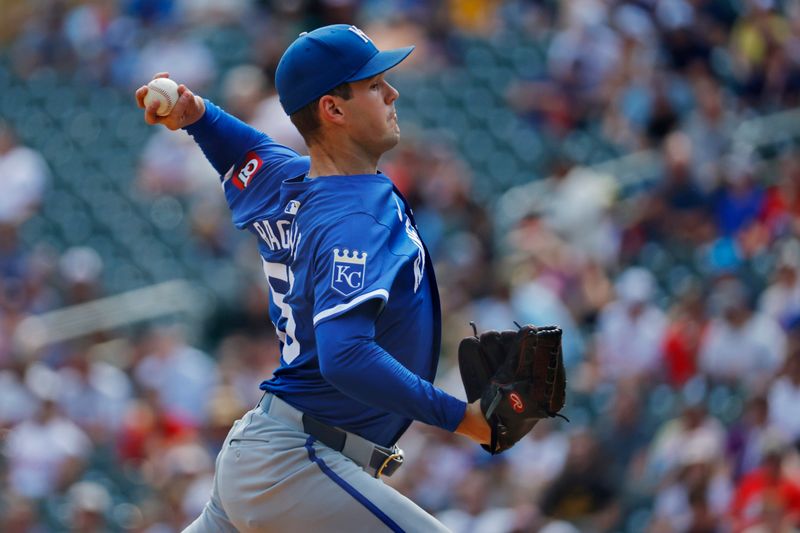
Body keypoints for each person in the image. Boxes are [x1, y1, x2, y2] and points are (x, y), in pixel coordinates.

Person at [136, 24, 491, 532]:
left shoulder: (289, 178)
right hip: (295, 466)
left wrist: (196, 114)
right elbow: (345, 356)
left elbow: (239, 152)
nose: (392, 92)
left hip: (276, 457)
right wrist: (463, 419)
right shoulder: (355, 217)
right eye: (373, 84)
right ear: (334, 109)